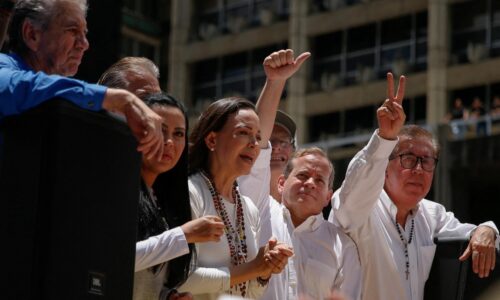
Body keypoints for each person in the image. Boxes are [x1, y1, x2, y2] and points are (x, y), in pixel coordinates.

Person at [329, 73, 499, 300]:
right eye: (408, 159)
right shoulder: (361, 207)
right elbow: (355, 188)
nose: (419, 169)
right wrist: (385, 137)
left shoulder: (432, 213)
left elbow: (474, 233)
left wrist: (488, 229)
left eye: (427, 161)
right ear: (386, 167)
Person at [0, 0, 163, 160]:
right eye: (72, 30)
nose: (84, 44)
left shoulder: (70, 100)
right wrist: (120, 99)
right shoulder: (4, 68)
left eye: (84, 33)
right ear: (32, 34)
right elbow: (18, 87)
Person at [179, 97, 293, 299]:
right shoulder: (189, 192)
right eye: (243, 133)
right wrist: (254, 268)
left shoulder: (248, 208)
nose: (254, 144)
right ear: (212, 140)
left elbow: (249, 292)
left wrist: (264, 271)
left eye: (258, 137)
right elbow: (179, 279)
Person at [132, 92, 225, 300]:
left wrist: (166, 295)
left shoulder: (164, 200)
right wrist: (183, 235)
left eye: (178, 134)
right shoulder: (118, 189)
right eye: (160, 130)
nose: (169, 142)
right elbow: (115, 259)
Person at [268, 147, 362, 300]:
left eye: (319, 180)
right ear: (281, 183)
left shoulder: (344, 247)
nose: (311, 183)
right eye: (303, 175)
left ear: (328, 197)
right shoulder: (261, 217)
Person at [238, 49, 309, 247]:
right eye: (270, 140)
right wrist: (275, 82)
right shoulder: (244, 195)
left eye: (283, 142)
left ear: (294, 151)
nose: (275, 148)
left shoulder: (310, 213)